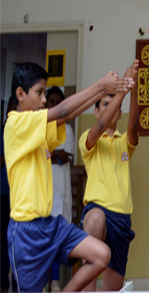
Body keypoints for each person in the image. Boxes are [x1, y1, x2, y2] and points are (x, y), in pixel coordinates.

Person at [6, 62, 131, 292]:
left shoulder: (39, 129)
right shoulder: (15, 123)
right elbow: (63, 110)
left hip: (50, 224)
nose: (44, 99)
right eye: (39, 93)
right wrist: (101, 85)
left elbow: (68, 114)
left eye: (45, 93)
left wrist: (111, 92)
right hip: (26, 233)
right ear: (20, 94)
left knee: (102, 255)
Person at [79, 60, 139, 291]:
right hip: (98, 211)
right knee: (94, 219)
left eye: (114, 105)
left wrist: (131, 87)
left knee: (113, 289)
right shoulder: (89, 139)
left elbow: (133, 127)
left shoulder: (125, 142)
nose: (111, 108)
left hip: (122, 220)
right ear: (96, 111)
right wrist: (121, 91)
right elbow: (102, 124)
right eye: (106, 103)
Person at [45, 86, 75, 291]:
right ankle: (43, 282)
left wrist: (52, 153)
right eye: (51, 102)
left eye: (58, 101)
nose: (54, 105)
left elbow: (65, 157)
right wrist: (54, 154)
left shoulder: (68, 129)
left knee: (56, 240)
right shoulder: (41, 128)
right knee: (43, 241)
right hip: (44, 192)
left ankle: (55, 281)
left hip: (61, 193)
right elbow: (43, 156)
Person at [1, 95, 17, 292]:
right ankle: (4, 283)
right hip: (3, 193)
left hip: (15, 195)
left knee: (12, 242)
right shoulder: (4, 132)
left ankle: (13, 285)